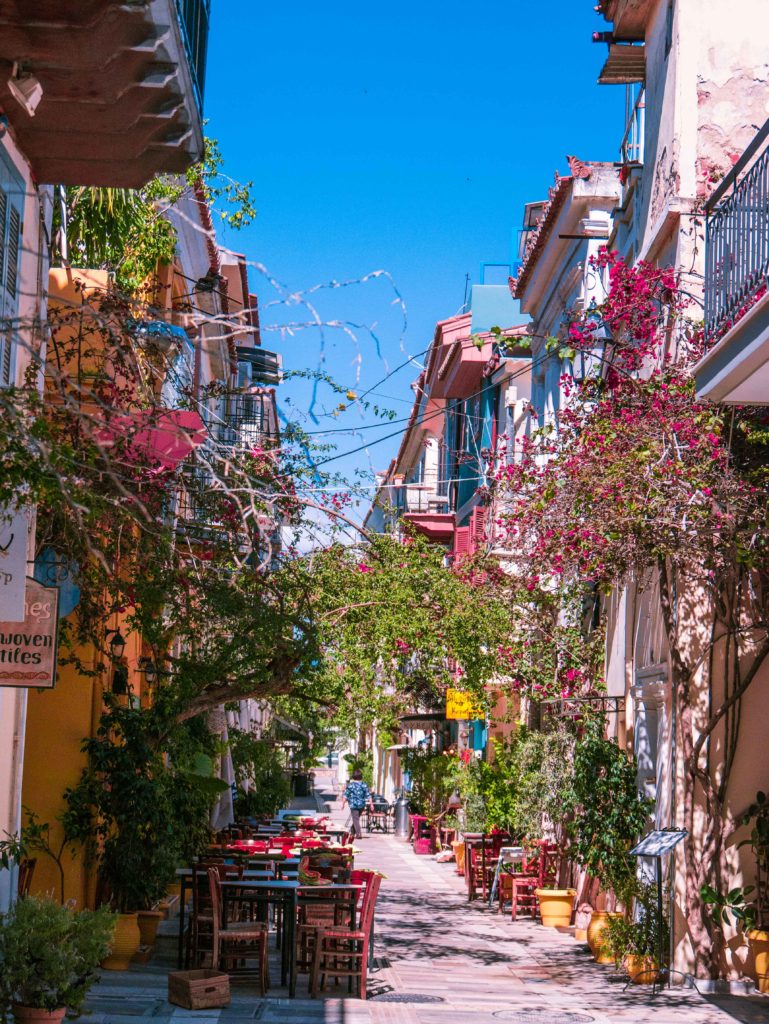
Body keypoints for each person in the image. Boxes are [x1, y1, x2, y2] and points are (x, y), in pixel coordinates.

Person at [341, 768, 374, 839]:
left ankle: (358, 834)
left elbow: (345, 795)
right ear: (361, 776)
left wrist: (343, 804)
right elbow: (368, 795)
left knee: (355, 819)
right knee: (356, 819)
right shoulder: (364, 785)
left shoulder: (350, 785)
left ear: (353, 776)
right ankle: (352, 832)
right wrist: (371, 804)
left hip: (353, 805)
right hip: (361, 805)